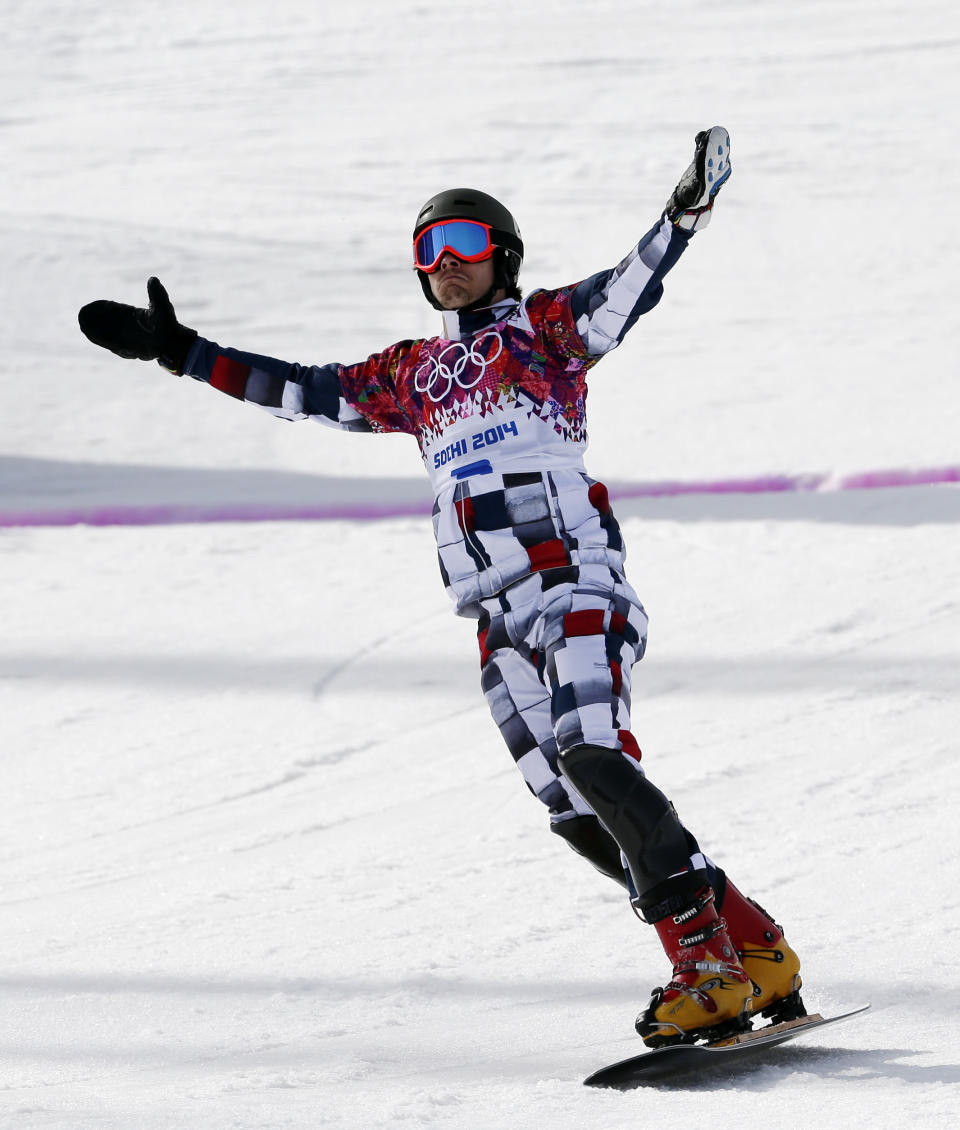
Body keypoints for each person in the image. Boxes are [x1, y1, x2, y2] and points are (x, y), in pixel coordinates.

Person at [79, 127, 803, 1047]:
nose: (446, 263)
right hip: (495, 620)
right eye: (430, 250)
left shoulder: (545, 333)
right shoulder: (411, 376)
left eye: (464, 245)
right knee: (573, 808)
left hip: (570, 577)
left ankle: (703, 966)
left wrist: (682, 215)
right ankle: (754, 946)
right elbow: (302, 390)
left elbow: (628, 286)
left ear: (501, 258)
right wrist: (183, 353)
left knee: (592, 751)